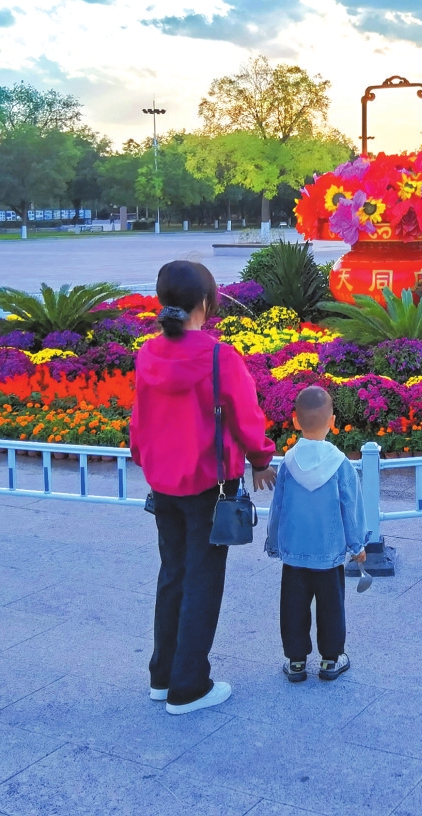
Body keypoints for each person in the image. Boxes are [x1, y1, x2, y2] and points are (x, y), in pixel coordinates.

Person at [131, 260, 276, 715]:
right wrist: (260, 459)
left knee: (172, 574)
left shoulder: (148, 353)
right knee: (203, 580)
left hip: (163, 483)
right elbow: (245, 416)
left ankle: (162, 676)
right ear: (208, 303)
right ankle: (189, 686)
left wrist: (147, 460)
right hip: (209, 484)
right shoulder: (219, 356)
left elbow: (139, 418)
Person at [264, 386, 366, 683]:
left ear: (295, 421)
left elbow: (277, 507)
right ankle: (331, 660)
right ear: (332, 422)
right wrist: (357, 544)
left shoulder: (288, 462)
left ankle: (296, 661)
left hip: (294, 552)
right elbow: (351, 507)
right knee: (331, 606)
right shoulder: (340, 464)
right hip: (329, 552)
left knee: (293, 606)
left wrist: (274, 542)